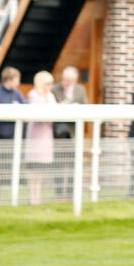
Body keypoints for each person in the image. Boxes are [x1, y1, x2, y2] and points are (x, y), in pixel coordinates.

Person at [0, 66, 27, 203]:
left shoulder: (17, 94)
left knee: (7, 170)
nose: (18, 83)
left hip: (12, 139)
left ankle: (10, 199)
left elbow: (26, 108)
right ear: (9, 80)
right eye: (17, 80)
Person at [51, 66, 88, 199]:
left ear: (74, 80)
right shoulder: (54, 89)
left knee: (74, 164)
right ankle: (59, 194)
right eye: (64, 79)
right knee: (59, 165)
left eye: (69, 80)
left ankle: (71, 195)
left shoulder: (80, 89)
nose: (65, 82)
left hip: (73, 133)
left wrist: (74, 107)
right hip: (59, 132)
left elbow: (85, 105)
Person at [25, 71, 57, 205]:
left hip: (46, 135)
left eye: (51, 83)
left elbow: (55, 112)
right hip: (35, 135)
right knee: (32, 168)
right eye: (48, 83)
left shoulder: (50, 96)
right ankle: (32, 195)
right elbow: (38, 113)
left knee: (41, 168)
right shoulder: (33, 95)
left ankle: (38, 195)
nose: (50, 86)